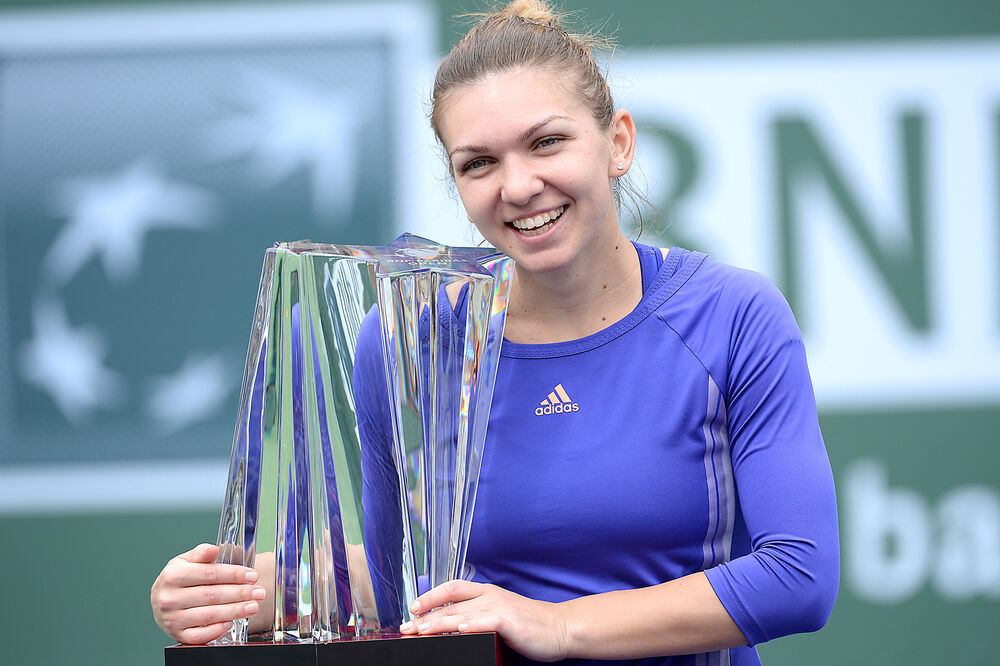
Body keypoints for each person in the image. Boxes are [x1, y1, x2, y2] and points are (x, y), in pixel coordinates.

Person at [150, 1, 840, 663]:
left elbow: (798, 576)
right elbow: (404, 589)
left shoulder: (734, 315)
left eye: (546, 142)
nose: (518, 186)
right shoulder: (401, 343)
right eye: (478, 162)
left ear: (619, 142)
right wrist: (247, 592)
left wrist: (559, 624)